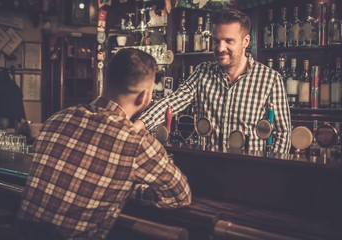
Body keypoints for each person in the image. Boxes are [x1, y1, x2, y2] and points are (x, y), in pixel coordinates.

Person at [16, 48, 191, 239]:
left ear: (106, 83)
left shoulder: (58, 118)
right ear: (144, 97)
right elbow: (180, 196)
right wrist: (138, 191)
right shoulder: (136, 142)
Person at [135, 9, 291, 153]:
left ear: (246, 41)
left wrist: (269, 167)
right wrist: (140, 124)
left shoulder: (270, 79)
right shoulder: (203, 72)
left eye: (229, 41)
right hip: (208, 166)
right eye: (217, 41)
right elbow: (173, 102)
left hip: (249, 168)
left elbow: (283, 132)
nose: (220, 48)